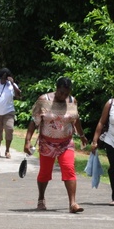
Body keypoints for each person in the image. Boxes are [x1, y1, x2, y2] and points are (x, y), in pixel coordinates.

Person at [23, 77, 87, 214]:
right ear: (56, 89)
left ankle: (73, 203)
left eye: (66, 93)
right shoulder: (44, 100)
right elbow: (34, 122)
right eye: (61, 92)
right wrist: (27, 141)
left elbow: (76, 120)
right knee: (45, 172)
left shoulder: (72, 101)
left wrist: (82, 136)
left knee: (69, 169)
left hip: (66, 142)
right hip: (47, 143)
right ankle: (41, 199)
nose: (63, 96)